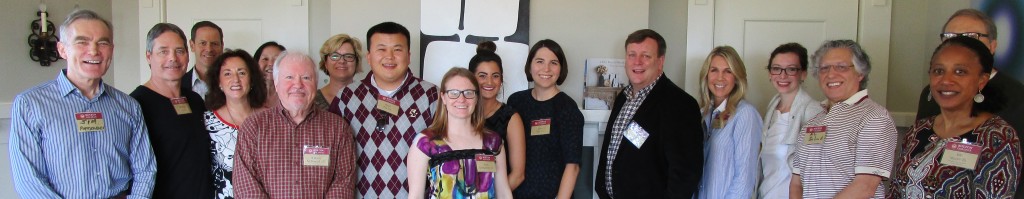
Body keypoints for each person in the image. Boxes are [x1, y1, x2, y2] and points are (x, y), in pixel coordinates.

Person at [8, 9, 157, 198]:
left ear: (111, 49)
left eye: (102, 42)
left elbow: (145, 169)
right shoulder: (30, 105)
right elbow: (29, 181)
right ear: (62, 49)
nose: (94, 50)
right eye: (82, 42)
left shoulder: (129, 106)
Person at [890, 36, 1021, 198]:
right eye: (939, 71)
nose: (946, 80)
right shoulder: (917, 130)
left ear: (981, 81)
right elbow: (895, 192)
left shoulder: (996, 136)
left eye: (960, 72)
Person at [328, 21, 438, 198]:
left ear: (409, 56)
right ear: (369, 57)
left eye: (397, 49)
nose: (389, 56)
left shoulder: (431, 96)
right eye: (381, 49)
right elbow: (331, 152)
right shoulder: (347, 97)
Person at [596, 29, 704, 199]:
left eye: (646, 56)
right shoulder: (622, 98)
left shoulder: (680, 104)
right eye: (632, 55)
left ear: (660, 61)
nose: (637, 62)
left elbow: (685, 174)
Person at [233, 51, 357, 198]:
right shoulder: (253, 127)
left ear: (315, 83)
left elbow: (343, 184)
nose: (298, 85)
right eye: (289, 77)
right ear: (276, 83)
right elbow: (246, 186)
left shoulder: (338, 128)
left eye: (306, 78)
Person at [790, 40, 897, 198]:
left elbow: (865, 187)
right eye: (824, 68)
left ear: (860, 73)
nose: (831, 74)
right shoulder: (813, 123)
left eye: (841, 67)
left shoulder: (875, 118)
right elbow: (797, 182)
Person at [130, 23, 213, 198]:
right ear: (148, 56)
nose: (173, 58)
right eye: (163, 51)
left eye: (179, 51)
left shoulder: (195, 100)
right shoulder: (135, 104)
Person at [407, 67, 515, 199]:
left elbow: (503, 192)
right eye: (453, 93)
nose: (461, 99)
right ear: (443, 98)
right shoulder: (425, 143)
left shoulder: (493, 142)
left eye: (468, 93)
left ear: (476, 98)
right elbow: (415, 196)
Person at [506, 39, 582, 198]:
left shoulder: (566, 107)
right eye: (539, 61)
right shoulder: (516, 102)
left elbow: (573, 166)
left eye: (553, 63)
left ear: (561, 69)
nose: (546, 68)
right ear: (530, 66)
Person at [757, 43, 823, 199]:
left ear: (803, 74)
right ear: (770, 73)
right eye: (776, 68)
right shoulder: (772, 108)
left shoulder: (814, 112)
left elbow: (814, 169)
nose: (782, 75)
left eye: (791, 69)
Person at [695, 46, 762, 199]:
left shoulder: (745, 114)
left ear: (737, 77)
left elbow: (744, 179)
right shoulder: (703, 114)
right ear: (706, 75)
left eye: (728, 71)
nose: (720, 78)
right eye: (714, 70)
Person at [204, 49, 267, 199]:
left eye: (242, 73)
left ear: (252, 79)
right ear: (219, 82)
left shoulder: (270, 119)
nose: (235, 80)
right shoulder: (206, 122)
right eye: (227, 73)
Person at [469, 41, 527, 190]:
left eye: (495, 76)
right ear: (471, 78)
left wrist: (490, 196)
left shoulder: (510, 118)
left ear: (501, 80)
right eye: (482, 76)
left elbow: (518, 175)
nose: (489, 82)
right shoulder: (461, 113)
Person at [316, 34, 364, 110]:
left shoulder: (368, 98)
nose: (342, 61)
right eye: (335, 56)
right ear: (325, 63)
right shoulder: (312, 101)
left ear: (356, 63)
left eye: (348, 56)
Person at [181, 21, 224, 99]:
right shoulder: (178, 83)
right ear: (192, 45)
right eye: (203, 43)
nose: (209, 49)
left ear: (222, 46)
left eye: (214, 44)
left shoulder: (232, 82)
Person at [253, 41, 286, 108]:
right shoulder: (247, 94)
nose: (271, 63)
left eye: (276, 59)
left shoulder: (290, 95)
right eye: (265, 59)